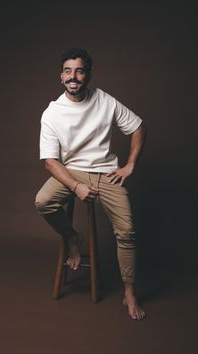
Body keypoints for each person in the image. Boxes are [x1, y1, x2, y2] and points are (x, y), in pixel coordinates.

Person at [35, 47, 147, 320]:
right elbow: (50, 161)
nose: (73, 76)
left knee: (127, 231)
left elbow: (137, 126)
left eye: (79, 70)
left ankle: (129, 293)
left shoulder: (105, 101)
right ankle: (73, 237)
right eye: (68, 71)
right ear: (61, 77)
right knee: (43, 202)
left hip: (106, 172)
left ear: (88, 75)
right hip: (70, 171)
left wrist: (130, 165)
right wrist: (75, 186)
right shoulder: (52, 113)